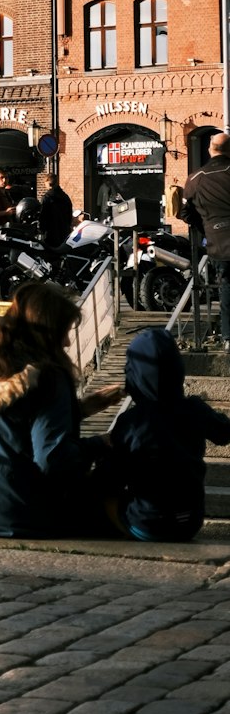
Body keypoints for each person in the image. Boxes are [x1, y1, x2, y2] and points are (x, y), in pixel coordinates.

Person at [0, 280, 122, 538]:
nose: (67, 343)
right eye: (64, 332)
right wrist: (102, 443)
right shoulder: (46, 376)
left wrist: (78, 410)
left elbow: (7, 426)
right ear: (47, 333)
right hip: (15, 516)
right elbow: (52, 460)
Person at [108, 327, 230, 541]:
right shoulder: (194, 409)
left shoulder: (132, 421)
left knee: (100, 493)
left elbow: (112, 476)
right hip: (191, 521)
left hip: (148, 524)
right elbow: (223, 434)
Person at [184, 133, 230, 346]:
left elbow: (186, 212)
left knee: (226, 288)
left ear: (210, 149)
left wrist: (206, 228)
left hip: (218, 242)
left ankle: (228, 337)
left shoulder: (195, 178)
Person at [39, 173, 74, 257]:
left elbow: (43, 217)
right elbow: (69, 216)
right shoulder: (65, 197)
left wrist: (41, 230)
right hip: (64, 232)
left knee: (50, 256)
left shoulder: (46, 198)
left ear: (48, 183)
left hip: (50, 234)